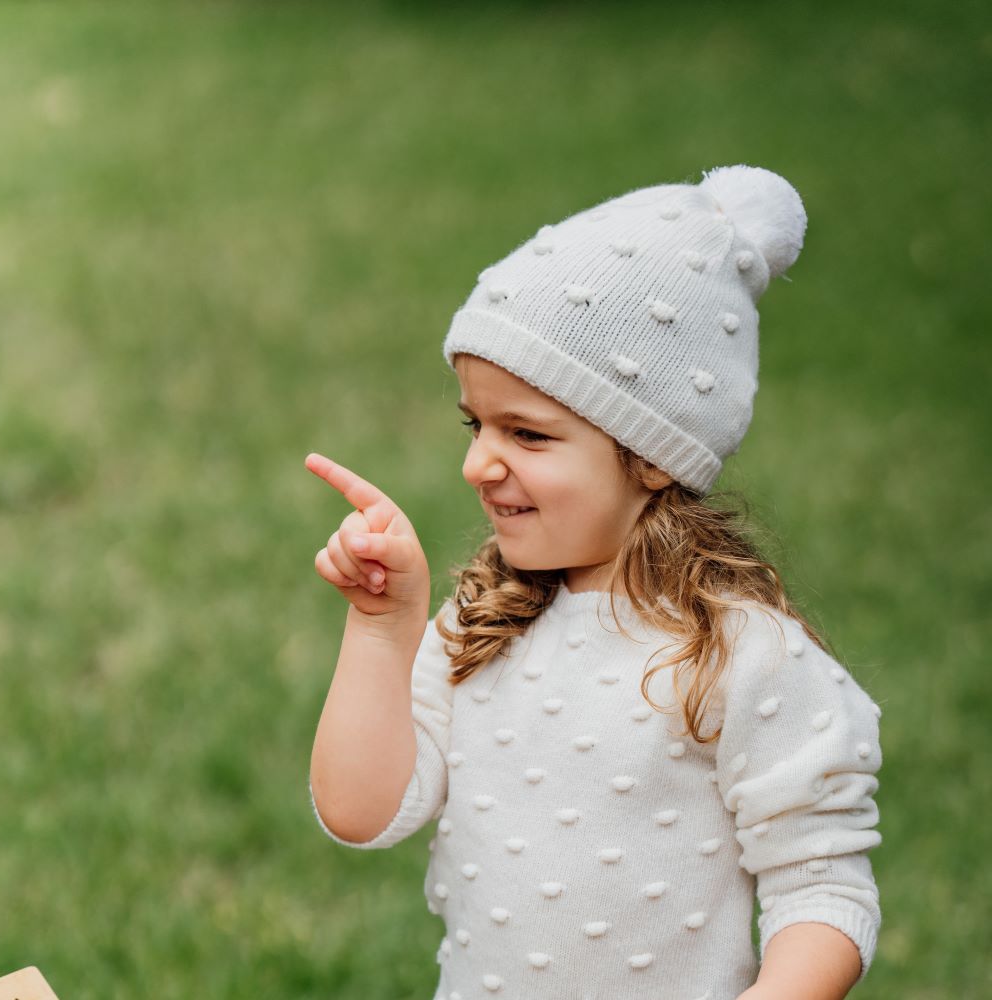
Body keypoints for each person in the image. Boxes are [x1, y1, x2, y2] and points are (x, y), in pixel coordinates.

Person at [305, 165, 882, 1000]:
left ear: (652, 454)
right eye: (475, 424)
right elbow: (360, 811)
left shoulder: (737, 652)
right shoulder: (483, 622)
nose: (477, 463)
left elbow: (822, 884)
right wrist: (381, 627)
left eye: (527, 434)